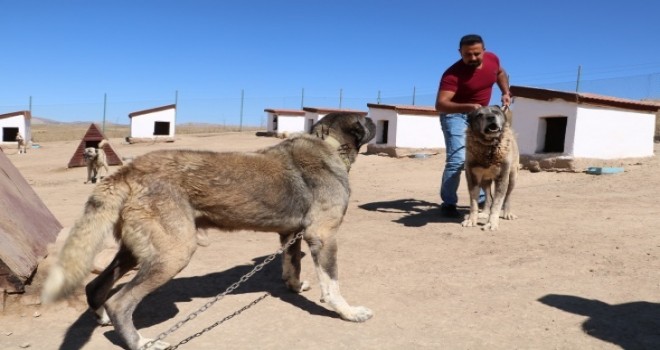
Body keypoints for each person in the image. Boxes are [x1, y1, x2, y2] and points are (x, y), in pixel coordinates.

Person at [435, 34, 511, 218]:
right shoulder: (452, 74)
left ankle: (483, 202)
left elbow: (500, 73)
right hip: (455, 115)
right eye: (467, 54)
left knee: (485, 157)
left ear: (484, 51)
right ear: (460, 52)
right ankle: (449, 203)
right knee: (458, 159)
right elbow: (441, 104)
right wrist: (468, 107)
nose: (473, 58)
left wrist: (506, 92)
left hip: (481, 115)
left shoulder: (493, 59)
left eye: (477, 53)